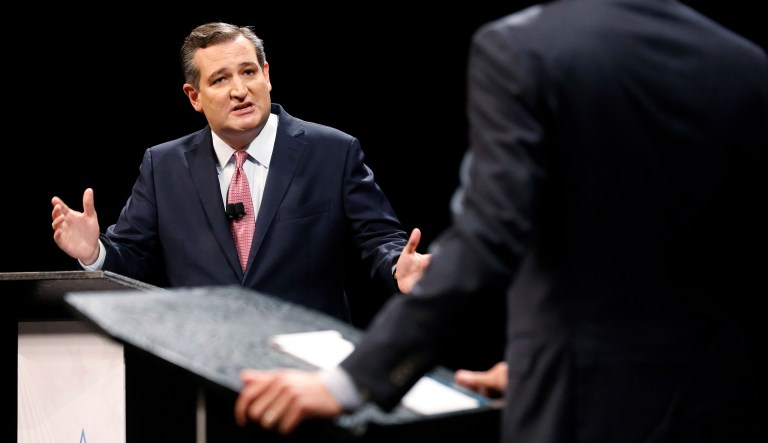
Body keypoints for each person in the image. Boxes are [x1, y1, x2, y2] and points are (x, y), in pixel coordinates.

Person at [233, 0, 768, 441]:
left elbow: (489, 237)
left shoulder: (524, 48)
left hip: (577, 410)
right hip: (720, 401)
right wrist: (531, 369)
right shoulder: (744, 62)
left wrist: (352, 382)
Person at [50, 22, 430, 325]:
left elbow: (378, 238)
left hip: (307, 368)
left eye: (248, 72)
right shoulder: (163, 166)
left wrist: (399, 266)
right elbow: (131, 256)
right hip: (205, 366)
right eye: (219, 79)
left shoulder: (332, 151)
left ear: (266, 75)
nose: (239, 90)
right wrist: (94, 252)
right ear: (194, 96)